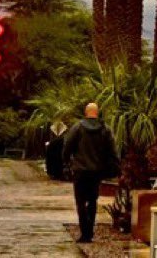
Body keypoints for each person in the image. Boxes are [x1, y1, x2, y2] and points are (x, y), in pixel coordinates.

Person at [63, 102, 120, 243]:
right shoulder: (105, 129)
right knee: (93, 201)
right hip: (96, 171)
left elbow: (67, 146)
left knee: (80, 202)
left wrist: (66, 162)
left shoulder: (78, 127)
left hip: (80, 171)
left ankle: (85, 233)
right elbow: (113, 150)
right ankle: (90, 231)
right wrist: (113, 165)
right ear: (97, 112)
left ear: (85, 112)